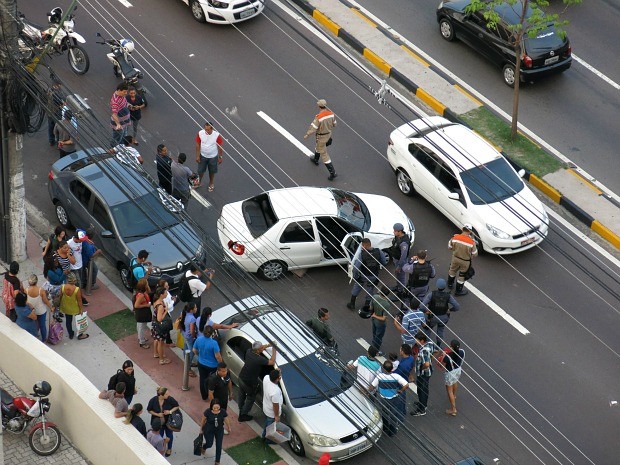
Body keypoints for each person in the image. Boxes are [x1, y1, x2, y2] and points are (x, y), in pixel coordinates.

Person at [238, 340, 276, 422]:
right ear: (258, 350)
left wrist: (269, 344)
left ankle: (240, 408)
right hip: (249, 383)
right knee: (250, 398)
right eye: (262, 348)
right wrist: (274, 349)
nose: (263, 348)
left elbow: (261, 348)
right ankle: (243, 415)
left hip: (241, 377)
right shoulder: (259, 359)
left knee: (241, 394)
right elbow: (272, 362)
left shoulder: (249, 351)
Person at [369, 360, 408, 437]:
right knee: (394, 415)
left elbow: (372, 386)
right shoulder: (396, 376)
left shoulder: (380, 376)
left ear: (384, 368)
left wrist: (367, 390)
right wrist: (400, 390)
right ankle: (392, 431)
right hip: (394, 399)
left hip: (384, 399)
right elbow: (406, 385)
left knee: (384, 413)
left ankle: (385, 427)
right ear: (392, 368)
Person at [347, 238, 387, 311]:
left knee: (357, 287)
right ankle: (366, 306)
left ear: (364, 246)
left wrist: (356, 277)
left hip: (363, 275)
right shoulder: (379, 252)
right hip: (374, 275)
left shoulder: (362, 254)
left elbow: (356, 268)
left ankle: (352, 303)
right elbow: (384, 262)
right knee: (370, 289)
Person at [303, 99, 337, 180]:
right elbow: (335, 124)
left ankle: (333, 172)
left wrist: (307, 134)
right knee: (319, 147)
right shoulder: (331, 114)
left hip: (321, 137)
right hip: (328, 134)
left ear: (319, 106)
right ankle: (315, 159)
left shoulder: (319, 117)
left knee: (324, 154)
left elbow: (313, 128)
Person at [421, 278, 460, 348]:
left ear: (437, 286)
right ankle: (438, 346)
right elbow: (457, 306)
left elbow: (421, 306)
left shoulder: (431, 294)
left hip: (432, 317)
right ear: (444, 287)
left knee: (427, 330)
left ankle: (425, 345)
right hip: (443, 317)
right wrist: (450, 310)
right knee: (440, 330)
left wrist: (426, 311)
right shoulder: (448, 296)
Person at [147, 387, 179, 457]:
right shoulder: (153, 400)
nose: (168, 395)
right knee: (159, 437)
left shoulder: (170, 399)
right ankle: (160, 449)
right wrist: (157, 414)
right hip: (158, 423)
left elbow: (177, 406)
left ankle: (169, 448)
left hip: (168, 422)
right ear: (161, 395)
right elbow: (149, 410)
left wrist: (169, 412)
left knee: (169, 435)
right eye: (166, 394)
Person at [411, 332, 437, 417]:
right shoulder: (430, 344)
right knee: (424, 389)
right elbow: (435, 352)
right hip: (428, 372)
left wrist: (420, 369)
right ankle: (423, 404)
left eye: (417, 340)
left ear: (422, 341)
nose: (416, 342)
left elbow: (426, 364)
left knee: (421, 390)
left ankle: (421, 409)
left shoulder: (424, 351)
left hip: (423, 374)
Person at [193, 325, 223, 400]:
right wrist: (221, 364)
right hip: (212, 366)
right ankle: (213, 395)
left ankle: (204, 396)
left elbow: (194, 350)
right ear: (212, 333)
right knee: (213, 380)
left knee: (202, 379)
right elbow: (218, 356)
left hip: (201, 363)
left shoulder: (199, 339)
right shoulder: (214, 343)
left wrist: (199, 355)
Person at [447, 224, 478, 296]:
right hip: (465, 261)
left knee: (452, 270)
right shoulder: (471, 242)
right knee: (462, 275)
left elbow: (449, 247)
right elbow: (475, 254)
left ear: (462, 229)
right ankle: (458, 291)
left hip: (455, 258)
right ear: (470, 232)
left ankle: (450, 284)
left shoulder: (455, 238)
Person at [195, 121, 224, 191]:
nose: (206, 131)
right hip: (203, 156)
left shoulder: (217, 135)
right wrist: (197, 156)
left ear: (212, 129)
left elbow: (220, 147)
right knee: (200, 171)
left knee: (212, 171)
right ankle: (199, 182)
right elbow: (197, 144)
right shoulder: (200, 133)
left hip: (213, 157)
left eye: (208, 129)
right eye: (205, 129)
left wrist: (220, 157)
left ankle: (211, 183)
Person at [59, 272, 89, 340]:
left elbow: (60, 297)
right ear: (74, 280)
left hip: (66, 307)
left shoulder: (63, 287)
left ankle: (71, 334)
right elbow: (79, 301)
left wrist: (58, 306)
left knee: (68, 321)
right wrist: (81, 310)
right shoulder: (76, 289)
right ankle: (80, 335)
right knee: (79, 321)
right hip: (75, 308)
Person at [201, 398, 231, 464]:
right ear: (211, 406)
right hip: (209, 430)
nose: (216, 409)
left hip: (219, 430)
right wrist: (201, 429)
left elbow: (226, 419)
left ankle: (217, 461)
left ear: (220, 406)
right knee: (209, 444)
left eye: (217, 407)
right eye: (214, 407)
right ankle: (204, 447)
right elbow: (203, 420)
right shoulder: (207, 412)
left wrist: (229, 427)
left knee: (219, 445)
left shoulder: (223, 411)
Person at [386, 223, 411, 296]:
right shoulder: (398, 236)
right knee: (397, 275)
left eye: (395, 231)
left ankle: (401, 291)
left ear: (400, 231)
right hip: (396, 259)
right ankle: (398, 287)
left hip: (401, 262)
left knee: (401, 276)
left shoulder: (404, 243)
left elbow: (403, 257)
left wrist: (399, 267)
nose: (393, 232)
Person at [26, 275, 52, 343]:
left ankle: (35, 336)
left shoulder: (26, 290)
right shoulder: (41, 290)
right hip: (41, 311)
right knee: (42, 326)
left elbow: (26, 302)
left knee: (34, 324)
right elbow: (45, 301)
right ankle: (44, 340)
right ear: (36, 282)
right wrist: (51, 307)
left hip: (32, 312)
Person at [443, 339, 465, 416]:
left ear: (451, 347)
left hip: (450, 372)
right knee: (455, 382)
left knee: (449, 390)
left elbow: (443, 361)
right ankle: (454, 395)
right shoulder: (462, 351)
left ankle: (453, 409)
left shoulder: (448, 356)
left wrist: (444, 354)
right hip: (458, 370)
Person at [66, 229, 88, 306]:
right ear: (76, 238)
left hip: (80, 265)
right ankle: (81, 298)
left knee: (79, 282)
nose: (82, 242)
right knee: (78, 284)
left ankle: (77, 296)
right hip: (73, 267)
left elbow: (79, 230)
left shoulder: (80, 239)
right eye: (81, 240)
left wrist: (87, 239)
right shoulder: (69, 244)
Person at [393, 344, 415, 418]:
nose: (399, 351)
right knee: (403, 399)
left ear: (403, 352)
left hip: (400, 383)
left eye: (400, 350)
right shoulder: (411, 358)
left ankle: (400, 417)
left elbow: (395, 374)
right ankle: (403, 413)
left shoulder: (402, 366)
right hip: (405, 380)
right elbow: (412, 367)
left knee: (400, 400)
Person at [262, 369, 283, 442]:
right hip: (271, 413)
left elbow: (271, 375)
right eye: (279, 376)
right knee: (270, 427)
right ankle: (268, 440)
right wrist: (276, 416)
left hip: (266, 407)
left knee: (267, 425)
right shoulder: (275, 391)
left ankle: (264, 436)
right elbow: (275, 405)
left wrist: (277, 372)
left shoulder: (266, 378)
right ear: (277, 379)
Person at [152, 287, 171, 364]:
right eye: (165, 293)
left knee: (156, 339)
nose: (167, 293)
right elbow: (159, 319)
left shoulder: (156, 301)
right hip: (160, 326)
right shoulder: (160, 306)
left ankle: (156, 353)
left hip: (155, 325)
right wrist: (166, 311)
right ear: (161, 295)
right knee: (160, 342)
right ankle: (161, 359)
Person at [179, 302, 198, 377]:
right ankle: (188, 368)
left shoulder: (184, 314)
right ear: (191, 310)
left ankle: (187, 362)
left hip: (184, 333)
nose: (196, 309)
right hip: (189, 337)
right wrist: (194, 336)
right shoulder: (192, 318)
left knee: (186, 348)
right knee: (192, 352)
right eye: (195, 308)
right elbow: (192, 330)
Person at [369, 286, 390, 352]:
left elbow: (370, 308)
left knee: (374, 332)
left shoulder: (374, 297)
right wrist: (375, 316)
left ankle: (373, 343)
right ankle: (376, 350)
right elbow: (384, 318)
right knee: (379, 337)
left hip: (374, 320)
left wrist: (374, 315)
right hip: (381, 323)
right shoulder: (387, 304)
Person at [81, 228, 102, 293]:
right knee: (94, 270)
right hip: (86, 260)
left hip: (81, 258)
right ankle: (91, 284)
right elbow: (91, 255)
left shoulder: (84, 238)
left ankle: (84, 283)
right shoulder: (88, 246)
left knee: (83, 271)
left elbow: (78, 230)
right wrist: (98, 251)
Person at [110, 82, 131, 147]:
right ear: (119, 90)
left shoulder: (121, 96)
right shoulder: (115, 101)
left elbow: (124, 103)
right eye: (124, 92)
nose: (126, 93)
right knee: (117, 139)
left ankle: (122, 148)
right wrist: (118, 124)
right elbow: (114, 114)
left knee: (124, 137)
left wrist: (128, 105)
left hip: (124, 123)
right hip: (119, 124)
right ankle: (113, 150)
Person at [133, 278, 151, 349]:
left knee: (141, 326)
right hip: (142, 313)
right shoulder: (141, 295)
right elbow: (136, 305)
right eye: (147, 283)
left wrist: (147, 286)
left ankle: (141, 338)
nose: (148, 284)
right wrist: (146, 305)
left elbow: (149, 291)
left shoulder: (142, 292)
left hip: (142, 313)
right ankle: (142, 342)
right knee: (142, 327)